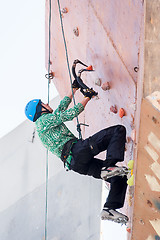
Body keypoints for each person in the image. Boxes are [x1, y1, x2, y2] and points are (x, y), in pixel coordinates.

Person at [25, 79, 129, 224]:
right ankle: (109, 166)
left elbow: (61, 109)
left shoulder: (46, 123)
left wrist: (73, 89)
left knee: (119, 176)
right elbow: (69, 115)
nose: (47, 104)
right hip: (76, 151)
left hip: (76, 165)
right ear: (40, 109)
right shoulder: (42, 121)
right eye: (44, 103)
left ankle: (109, 208)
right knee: (118, 130)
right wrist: (88, 97)